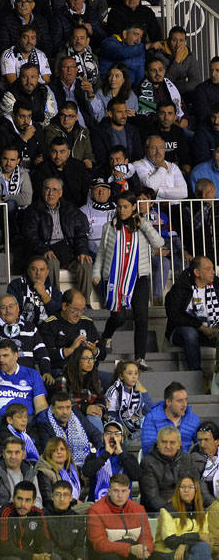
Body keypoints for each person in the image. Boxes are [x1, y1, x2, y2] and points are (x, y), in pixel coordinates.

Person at [94, 191, 166, 369]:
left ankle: (140, 357)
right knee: (119, 316)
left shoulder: (143, 225)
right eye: (119, 206)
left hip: (139, 276)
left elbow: (159, 243)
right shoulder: (109, 226)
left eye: (126, 206)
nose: (122, 210)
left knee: (141, 317)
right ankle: (106, 336)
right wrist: (96, 273)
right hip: (115, 276)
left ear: (134, 207)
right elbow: (102, 252)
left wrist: (144, 225)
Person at [87, 473, 153, 559]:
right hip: (108, 554)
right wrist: (128, 548)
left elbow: (147, 538)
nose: (120, 496)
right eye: (116, 491)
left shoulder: (138, 509)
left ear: (129, 492)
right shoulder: (96, 510)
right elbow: (99, 544)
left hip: (133, 552)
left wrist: (144, 549)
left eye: (124, 491)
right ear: (109, 491)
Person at [142, 382, 200, 454]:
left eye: (186, 400)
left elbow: (201, 445)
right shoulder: (152, 418)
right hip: (159, 461)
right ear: (168, 402)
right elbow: (148, 448)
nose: (185, 404)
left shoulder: (193, 419)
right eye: (180, 401)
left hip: (184, 461)